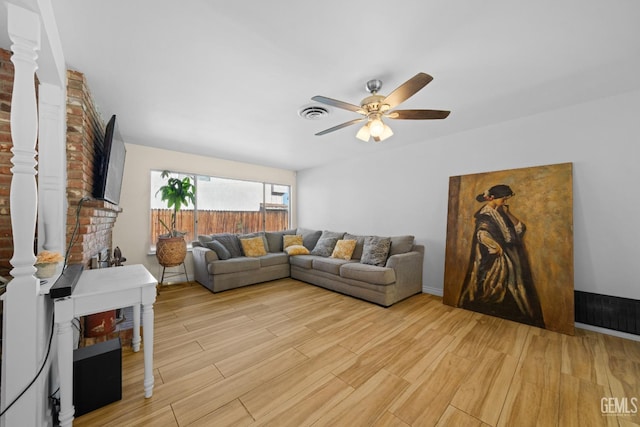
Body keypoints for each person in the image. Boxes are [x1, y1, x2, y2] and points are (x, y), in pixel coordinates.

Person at [458, 184, 545, 328]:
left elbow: (520, 229)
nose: (504, 202)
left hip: (513, 258)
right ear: (492, 198)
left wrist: (508, 213)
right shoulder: (485, 215)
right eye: (503, 199)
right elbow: (482, 233)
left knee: (520, 291)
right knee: (499, 291)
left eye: (506, 199)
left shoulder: (501, 212)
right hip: (496, 260)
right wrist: (495, 246)